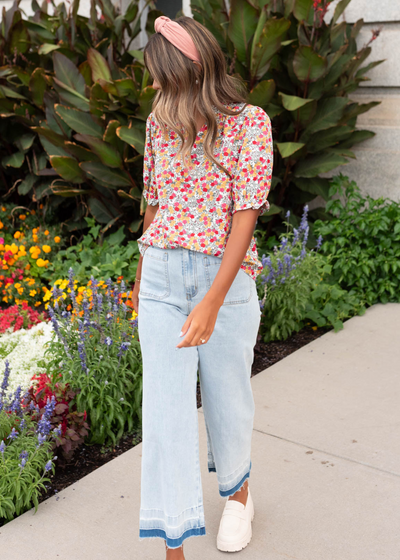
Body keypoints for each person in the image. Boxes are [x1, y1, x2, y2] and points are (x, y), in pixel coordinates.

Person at [131, 14, 273, 560]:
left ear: (192, 71)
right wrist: (144, 268)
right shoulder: (158, 122)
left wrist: (213, 298)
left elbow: (245, 214)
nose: (155, 87)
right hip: (163, 278)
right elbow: (155, 198)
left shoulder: (250, 124)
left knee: (228, 401)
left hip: (227, 281)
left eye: (162, 76)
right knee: (164, 416)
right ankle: (174, 545)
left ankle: (239, 495)